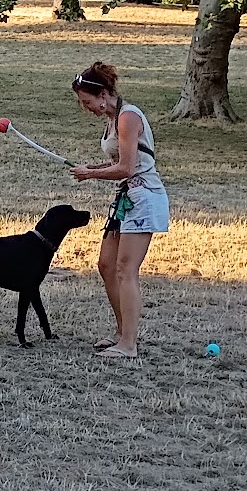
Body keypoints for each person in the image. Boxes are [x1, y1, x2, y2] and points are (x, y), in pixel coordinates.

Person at [68, 61, 168, 359]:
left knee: (126, 270)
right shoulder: (113, 120)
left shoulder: (128, 117)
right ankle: (121, 331)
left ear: (103, 94)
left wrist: (92, 174)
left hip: (145, 198)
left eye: (87, 102)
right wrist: (91, 167)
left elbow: (127, 167)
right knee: (106, 265)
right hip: (126, 199)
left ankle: (129, 344)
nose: (86, 108)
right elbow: (120, 163)